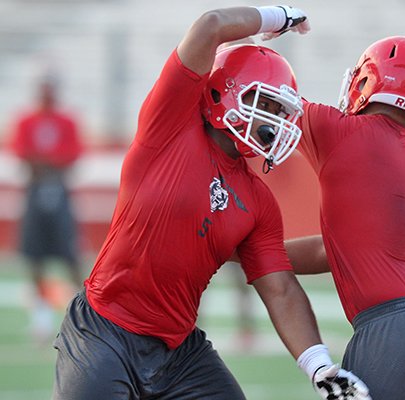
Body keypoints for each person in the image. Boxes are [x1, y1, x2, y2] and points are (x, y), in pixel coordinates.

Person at [52, 5, 370, 400]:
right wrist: (280, 16)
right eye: (266, 104)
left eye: (279, 112)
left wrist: (320, 366)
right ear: (227, 90)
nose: (274, 123)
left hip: (179, 350)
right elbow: (211, 26)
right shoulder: (169, 128)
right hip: (105, 330)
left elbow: (280, 289)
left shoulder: (258, 200)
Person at [283, 36, 405, 399]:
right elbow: (339, 252)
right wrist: (249, 254)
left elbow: (263, 93)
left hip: (398, 330)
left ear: (367, 82)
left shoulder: (343, 133)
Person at [9, 76, 84, 343]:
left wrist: (45, 163)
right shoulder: (26, 120)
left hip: (58, 191)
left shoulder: (66, 121)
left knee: (70, 256)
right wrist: (49, 163)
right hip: (35, 191)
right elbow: (21, 152)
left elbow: (72, 156)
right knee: (34, 258)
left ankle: (85, 316)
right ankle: (41, 321)